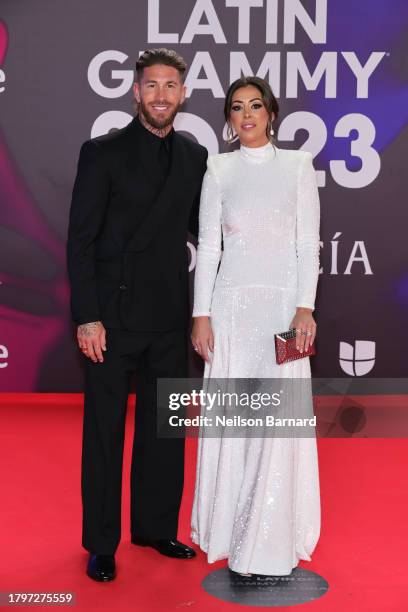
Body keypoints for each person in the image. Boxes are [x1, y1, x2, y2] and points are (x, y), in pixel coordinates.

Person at [66, 48, 208, 582]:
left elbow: (208, 231)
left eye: (171, 86)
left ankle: (154, 527)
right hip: (111, 319)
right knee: (104, 433)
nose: (162, 96)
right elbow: (80, 242)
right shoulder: (101, 152)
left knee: (165, 430)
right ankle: (101, 543)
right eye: (152, 86)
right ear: (135, 91)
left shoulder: (194, 157)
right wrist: (87, 315)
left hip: (170, 316)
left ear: (184, 94)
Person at [190, 76, 321, 577]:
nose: (247, 115)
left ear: (271, 114)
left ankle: (269, 536)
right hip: (229, 313)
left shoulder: (297, 166)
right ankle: (226, 530)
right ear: (229, 118)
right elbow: (209, 247)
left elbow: (307, 246)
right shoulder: (218, 169)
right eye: (237, 107)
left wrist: (304, 308)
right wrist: (201, 315)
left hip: (285, 313)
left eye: (256, 106)